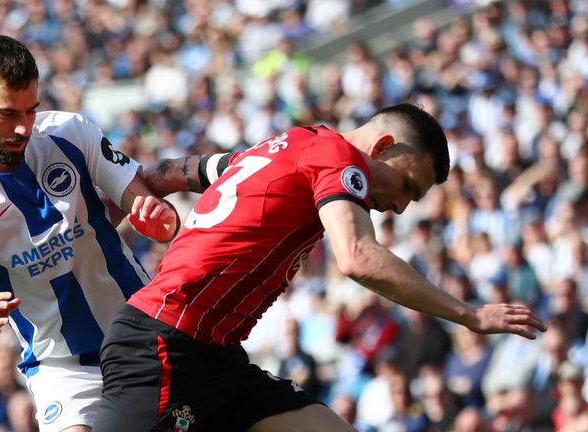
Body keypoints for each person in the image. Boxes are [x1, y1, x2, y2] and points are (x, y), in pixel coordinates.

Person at [93, 104, 547, 431]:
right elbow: (357, 258)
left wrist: (116, 208)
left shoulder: (282, 147)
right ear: (383, 145)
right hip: (162, 346)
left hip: (216, 357)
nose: (401, 207)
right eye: (408, 186)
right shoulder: (337, 156)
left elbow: (169, 172)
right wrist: (470, 315)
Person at [0, 35, 224, 432]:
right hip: (63, 370)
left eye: (31, 110)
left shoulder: (69, 132)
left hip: (145, 330)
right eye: (7, 114)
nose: (23, 128)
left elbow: (140, 199)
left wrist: (153, 215)